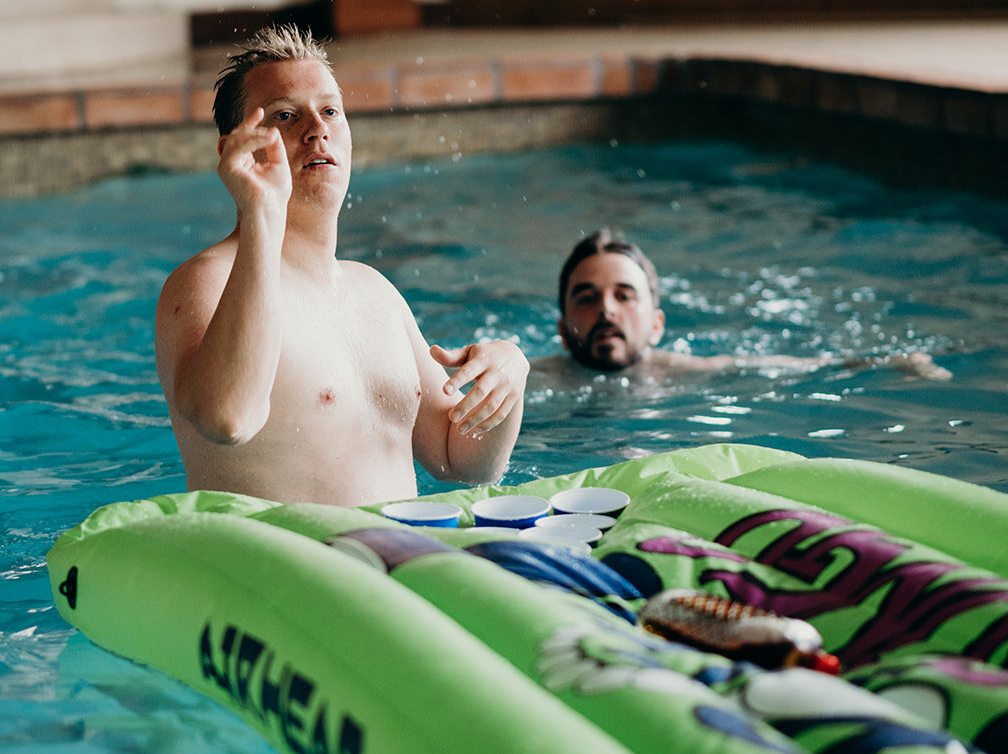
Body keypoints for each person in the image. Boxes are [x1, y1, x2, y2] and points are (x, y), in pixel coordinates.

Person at [155, 26, 529, 507]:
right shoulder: (205, 281)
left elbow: (462, 462)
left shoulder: (373, 292)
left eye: (331, 110)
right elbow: (228, 419)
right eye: (286, 115)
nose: (318, 129)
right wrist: (261, 213)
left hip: (401, 552)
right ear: (234, 150)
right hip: (290, 568)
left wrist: (509, 378)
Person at [531, 229, 951, 381]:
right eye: (586, 299)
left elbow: (791, 367)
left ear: (658, 325)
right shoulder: (533, 382)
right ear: (562, 332)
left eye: (625, 295)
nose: (606, 310)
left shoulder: (684, 373)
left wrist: (889, 362)